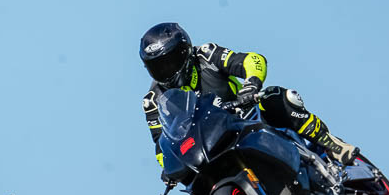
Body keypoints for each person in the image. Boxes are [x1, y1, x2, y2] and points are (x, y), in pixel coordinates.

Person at [139, 22, 359, 166]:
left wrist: (251, 86)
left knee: (274, 97)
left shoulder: (206, 54)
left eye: (170, 62)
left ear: (185, 51)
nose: (166, 71)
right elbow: (160, 146)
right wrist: (169, 167)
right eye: (158, 67)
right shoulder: (153, 101)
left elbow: (252, 60)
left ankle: (331, 144)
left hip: (246, 117)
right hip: (210, 143)